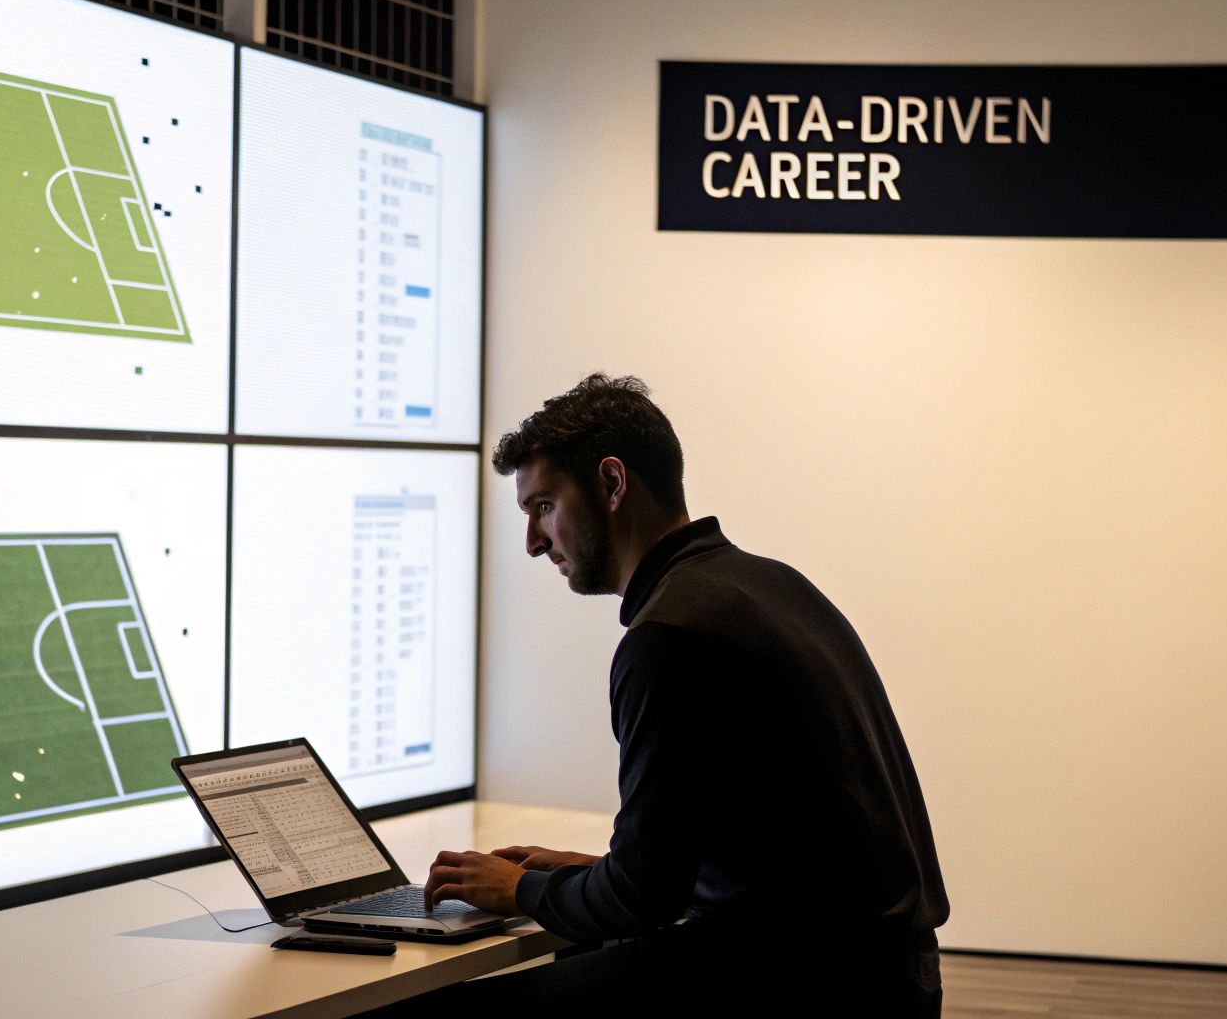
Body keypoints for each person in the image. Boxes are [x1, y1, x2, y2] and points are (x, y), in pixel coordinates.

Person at [391, 374, 948, 1014]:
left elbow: (640, 901)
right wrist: (577, 876)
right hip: (886, 975)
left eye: (543, 506)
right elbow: (758, 858)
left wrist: (524, 891)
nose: (533, 542)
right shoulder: (770, 587)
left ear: (611, 484)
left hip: (801, 984)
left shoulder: (669, 638)